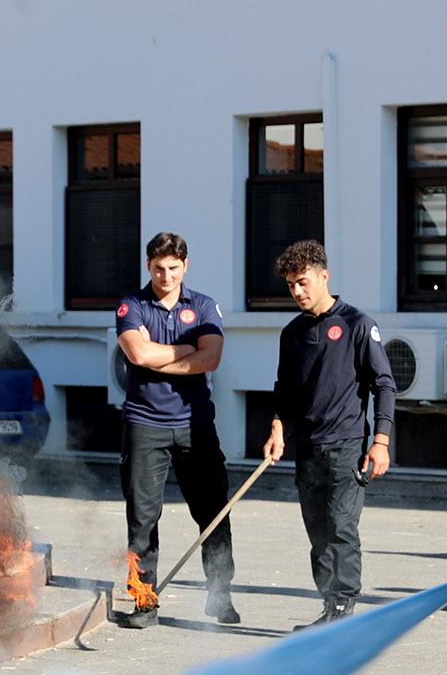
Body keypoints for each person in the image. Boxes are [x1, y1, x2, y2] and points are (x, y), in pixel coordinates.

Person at [262, 239, 396, 629]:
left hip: (348, 445)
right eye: (290, 285)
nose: (297, 292)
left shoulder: (357, 324)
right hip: (307, 447)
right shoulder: (291, 333)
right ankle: (329, 608)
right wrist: (277, 427)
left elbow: (384, 385)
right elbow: (284, 388)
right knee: (318, 533)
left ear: (324, 276)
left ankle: (343, 610)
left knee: (341, 527)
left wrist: (381, 441)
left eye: (303, 282)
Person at [115, 232, 238, 626]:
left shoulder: (203, 306)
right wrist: (186, 350)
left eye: (173, 268)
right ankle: (144, 602)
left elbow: (212, 358)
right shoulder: (131, 306)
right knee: (142, 519)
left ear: (185, 266)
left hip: (195, 425)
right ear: (148, 266)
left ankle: (220, 596)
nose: (165, 276)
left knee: (213, 513)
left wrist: (159, 359)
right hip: (144, 424)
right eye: (158, 268)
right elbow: (136, 353)